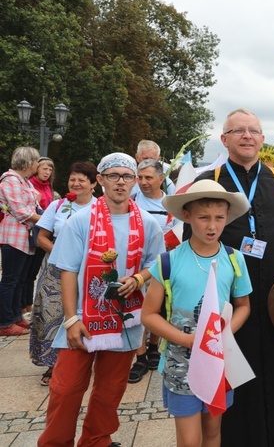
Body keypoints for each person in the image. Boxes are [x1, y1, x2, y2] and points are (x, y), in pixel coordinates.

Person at [190, 109, 274, 445]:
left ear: (262, 139)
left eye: (253, 130)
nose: (247, 136)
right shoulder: (207, 181)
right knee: (234, 367)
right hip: (229, 295)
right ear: (224, 139)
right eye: (238, 130)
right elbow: (191, 240)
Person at [38, 153, 164, 446]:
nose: (121, 182)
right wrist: (71, 319)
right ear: (100, 180)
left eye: (127, 176)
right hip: (82, 317)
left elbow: (156, 263)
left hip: (124, 319)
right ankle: (55, 442)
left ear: (134, 181)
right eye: (113, 175)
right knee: (66, 388)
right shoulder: (79, 221)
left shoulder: (148, 223)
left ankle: (97, 440)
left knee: (110, 389)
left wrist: (139, 279)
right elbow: (67, 271)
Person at [143, 179, 252, 447]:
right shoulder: (168, 261)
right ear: (188, 216)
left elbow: (244, 306)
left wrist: (223, 333)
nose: (212, 226)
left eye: (219, 217)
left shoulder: (235, 260)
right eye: (204, 218)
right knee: (190, 440)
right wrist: (189, 340)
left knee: (213, 430)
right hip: (181, 363)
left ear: (227, 217)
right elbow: (149, 315)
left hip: (218, 360)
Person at [30, 161, 98, 386]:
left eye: (82, 180)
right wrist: (63, 253)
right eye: (72, 179)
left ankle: (86, 358)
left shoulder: (100, 208)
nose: (76, 183)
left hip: (90, 266)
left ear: (94, 184)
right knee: (52, 314)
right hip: (56, 268)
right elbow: (41, 237)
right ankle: (53, 363)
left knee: (85, 312)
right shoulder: (58, 206)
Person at [129, 158, 177, 384]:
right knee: (137, 308)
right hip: (136, 262)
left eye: (148, 177)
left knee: (158, 307)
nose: (143, 182)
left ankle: (154, 347)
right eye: (140, 178)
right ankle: (139, 357)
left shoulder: (171, 204)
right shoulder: (131, 201)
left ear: (161, 179)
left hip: (163, 262)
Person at [0, 146, 41, 336]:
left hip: (25, 237)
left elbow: (35, 204)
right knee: (10, 280)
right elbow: (21, 211)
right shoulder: (10, 180)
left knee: (20, 279)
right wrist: (48, 220)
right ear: (29, 162)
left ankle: (16, 316)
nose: (38, 164)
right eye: (37, 160)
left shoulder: (24, 181)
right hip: (13, 236)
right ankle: (4, 321)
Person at [23, 156, 56, 320]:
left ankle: (28, 304)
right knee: (26, 273)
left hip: (44, 231)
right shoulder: (31, 185)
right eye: (44, 169)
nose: (47, 172)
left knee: (33, 272)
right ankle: (24, 306)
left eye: (50, 170)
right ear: (37, 169)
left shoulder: (48, 187)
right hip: (32, 232)